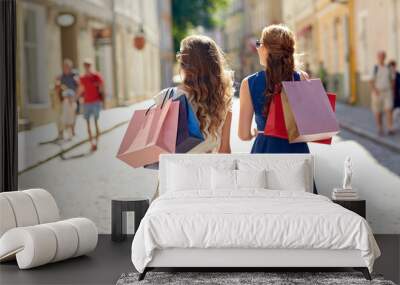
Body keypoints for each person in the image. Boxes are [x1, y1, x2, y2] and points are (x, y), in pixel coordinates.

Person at [238, 24, 318, 194]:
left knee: (265, 211)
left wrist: (255, 131)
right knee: (301, 210)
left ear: (266, 49)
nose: (258, 48)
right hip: (296, 152)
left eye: (259, 44)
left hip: (265, 152)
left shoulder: (249, 83)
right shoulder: (302, 78)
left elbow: (243, 135)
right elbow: (313, 128)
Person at [154, 35, 233, 154]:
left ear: (184, 64)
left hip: (175, 170)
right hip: (208, 170)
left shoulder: (168, 97)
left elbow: (157, 146)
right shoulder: (223, 100)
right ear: (214, 65)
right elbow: (225, 150)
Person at [78, 58, 104, 151]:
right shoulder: (82, 78)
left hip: (95, 102)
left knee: (96, 123)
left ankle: (96, 143)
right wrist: (77, 98)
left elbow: (101, 87)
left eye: (88, 65)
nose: (87, 67)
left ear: (91, 66)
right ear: (84, 67)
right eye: (85, 66)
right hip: (86, 103)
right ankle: (91, 144)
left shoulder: (96, 76)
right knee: (88, 124)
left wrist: (99, 90)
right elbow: (81, 89)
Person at [370, 51, 394, 135]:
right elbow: (371, 81)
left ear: (385, 57)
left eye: (383, 56)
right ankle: (380, 128)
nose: (381, 57)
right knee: (378, 111)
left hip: (387, 91)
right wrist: (375, 90)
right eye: (380, 56)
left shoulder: (388, 67)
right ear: (377, 57)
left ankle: (390, 128)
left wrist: (392, 89)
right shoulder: (375, 68)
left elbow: (392, 79)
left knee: (389, 109)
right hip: (377, 92)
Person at [55, 58, 79, 139]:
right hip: (64, 100)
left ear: (70, 67)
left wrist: (75, 97)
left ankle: (72, 131)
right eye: (64, 67)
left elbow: (79, 87)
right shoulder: (60, 77)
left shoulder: (74, 76)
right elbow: (57, 89)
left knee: (72, 116)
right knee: (65, 117)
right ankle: (64, 133)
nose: (65, 68)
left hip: (73, 99)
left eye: (67, 67)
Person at [389, 60, 400, 130]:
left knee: (398, 110)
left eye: (394, 66)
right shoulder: (388, 75)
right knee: (393, 112)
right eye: (391, 66)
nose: (393, 68)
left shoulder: (398, 74)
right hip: (390, 96)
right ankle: (391, 126)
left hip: (398, 95)